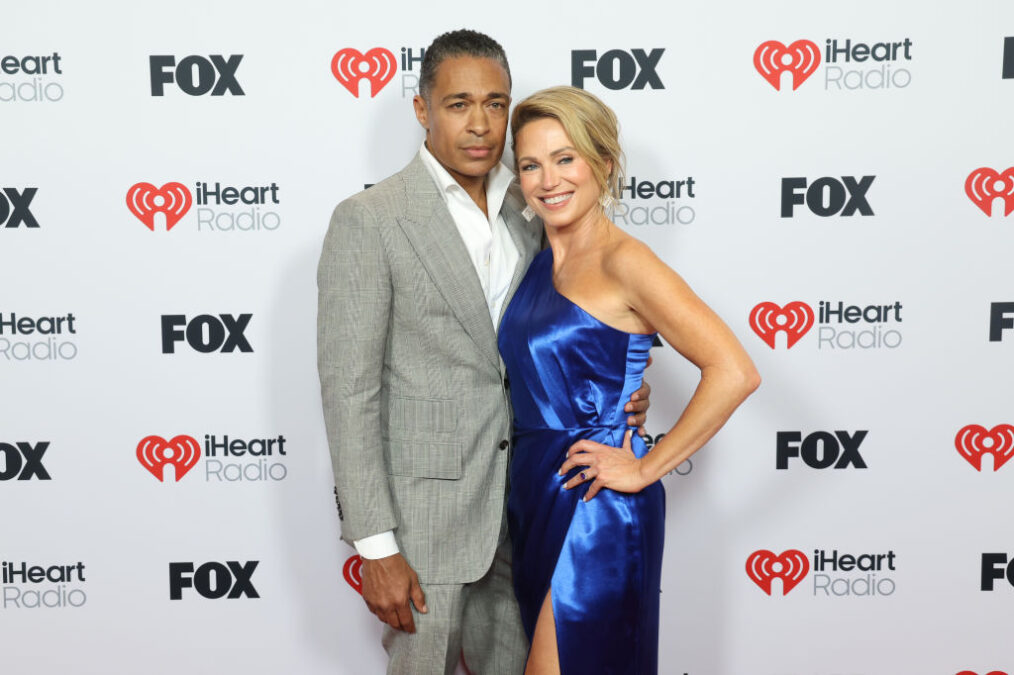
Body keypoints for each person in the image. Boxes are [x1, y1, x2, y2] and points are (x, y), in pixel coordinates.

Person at [317, 32, 651, 675]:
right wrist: (375, 544)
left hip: (532, 505)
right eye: (458, 103)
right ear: (422, 110)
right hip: (425, 526)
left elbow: (567, 331)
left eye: (496, 104)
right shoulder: (371, 219)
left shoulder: (536, 208)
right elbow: (349, 391)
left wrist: (619, 385)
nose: (480, 124)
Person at [499, 86, 761, 675]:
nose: (548, 180)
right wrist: (619, 392)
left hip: (595, 502)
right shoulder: (539, 254)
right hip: (535, 490)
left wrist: (644, 466)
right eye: (532, 165)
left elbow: (735, 371)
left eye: (565, 159)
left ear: (604, 164)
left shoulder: (626, 261)